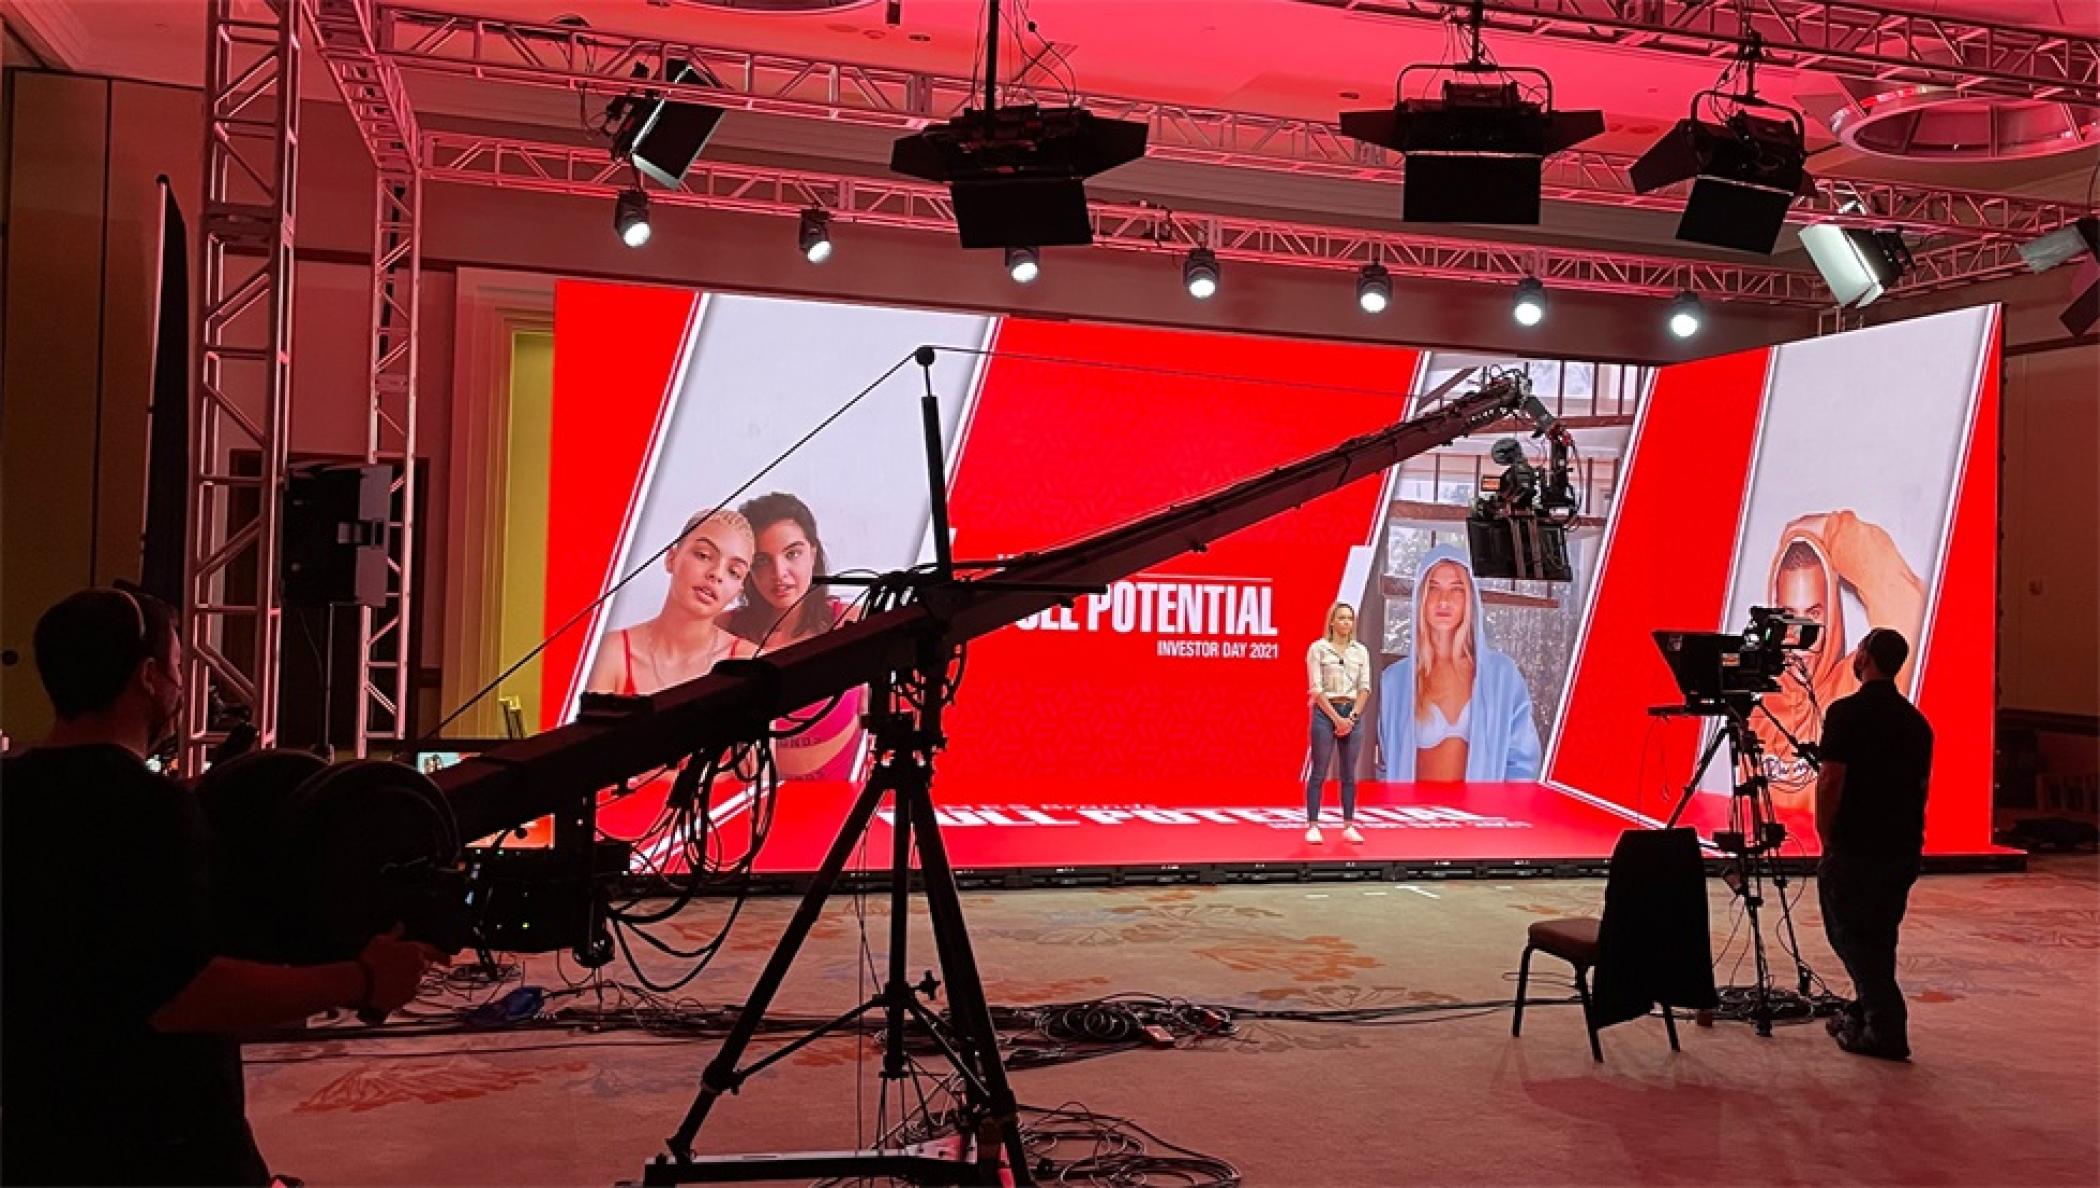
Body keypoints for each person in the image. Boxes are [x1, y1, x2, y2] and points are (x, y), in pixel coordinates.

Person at [1, 588, 445, 1186]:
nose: (182, 686)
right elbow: (182, 994)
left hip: (35, 1139)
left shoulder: (11, 793)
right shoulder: (150, 809)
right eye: (177, 667)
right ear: (150, 678)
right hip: (162, 1147)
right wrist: (364, 978)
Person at [1813, 627, 1933, 1062]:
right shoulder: (1916, 723)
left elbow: (1831, 780)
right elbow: (1919, 787)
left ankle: (1885, 1025)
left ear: (1865, 658)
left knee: (1851, 936)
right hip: (1901, 846)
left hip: (1856, 845)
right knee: (1880, 934)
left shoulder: (1846, 714)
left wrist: (1826, 835)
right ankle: (1866, 1010)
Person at [1753, 509, 1925, 802]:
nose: (1799, 636)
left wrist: (1831, 530)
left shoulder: (1854, 691)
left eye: (1813, 615)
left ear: (1832, 616)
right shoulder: (1757, 709)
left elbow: (1909, 609)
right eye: (1788, 615)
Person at [723, 493, 865, 782]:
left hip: (840, 797)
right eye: (762, 561)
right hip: (745, 799)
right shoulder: (723, 629)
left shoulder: (853, 622)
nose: (779, 573)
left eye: (792, 554)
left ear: (813, 553)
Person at [1377, 544, 1541, 782]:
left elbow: (1523, 765)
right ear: (1420, 598)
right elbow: (1385, 766)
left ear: (1470, 598)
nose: (1443, 601)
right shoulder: (1395, 681)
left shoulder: (1502, 676)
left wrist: (1505, 806)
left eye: (1456, 589)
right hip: (1414, 806)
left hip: (1484, 807)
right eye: (1434, 588)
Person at [586, 508, 758, 697]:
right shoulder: (610, 651)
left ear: (738, 590)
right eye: (703, 555)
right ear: (671, 558)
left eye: (733, 572)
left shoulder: (751, 663)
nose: (716, 574)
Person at [1303, 602, 1373, 845]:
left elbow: (1365, 687)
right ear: (1332, 621)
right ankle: (1313, 825)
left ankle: (1349, 825)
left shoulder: (1360, 651)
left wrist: (1351, 718)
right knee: (1319, 771)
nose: (1346, 622)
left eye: (1350, 619)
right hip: (1326, 713)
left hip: (1352, 712)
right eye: (1341, 618)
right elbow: (1316, 688)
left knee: (1349, 773)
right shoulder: (1318, 649)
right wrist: (1336, 719)